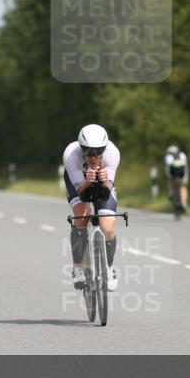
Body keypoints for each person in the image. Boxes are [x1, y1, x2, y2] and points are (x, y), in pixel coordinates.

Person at [63, 124, 121, 291]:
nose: (93, 157)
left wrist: (105, 181)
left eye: (98, 151)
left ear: (105, 149)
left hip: (103, 182)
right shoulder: (71, 154)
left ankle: (109, 269)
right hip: (78, 182)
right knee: (82, 214)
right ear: (81, 148)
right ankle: (77, 268)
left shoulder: (112, 153)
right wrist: (87, 181)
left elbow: (108, 189)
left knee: (107, 226)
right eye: (88, 151)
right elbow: (81, 192)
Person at [164, 145, 189, 212]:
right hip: (182, 172)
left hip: (172, 172)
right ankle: (184, 203)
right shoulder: (182, 154)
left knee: (169, 180)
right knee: (183, 186)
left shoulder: (168, 156)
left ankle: (171, 192)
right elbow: (185, 164)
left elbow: (168, 166)